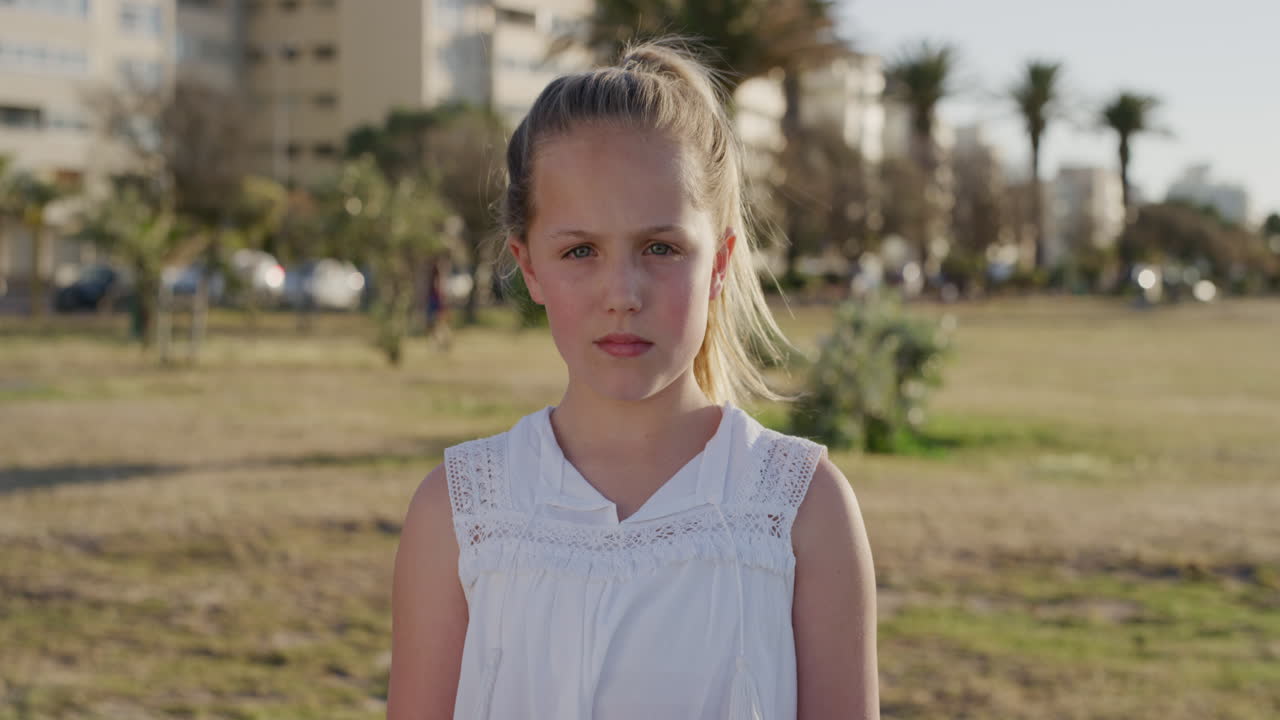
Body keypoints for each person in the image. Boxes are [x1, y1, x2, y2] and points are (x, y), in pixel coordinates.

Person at [388, 38, 878, 720]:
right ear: (528, 265)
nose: (622, 292)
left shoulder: (801, 509)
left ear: (719, 260)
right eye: (580, 250)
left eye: (660, 248)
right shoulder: (459, 514)